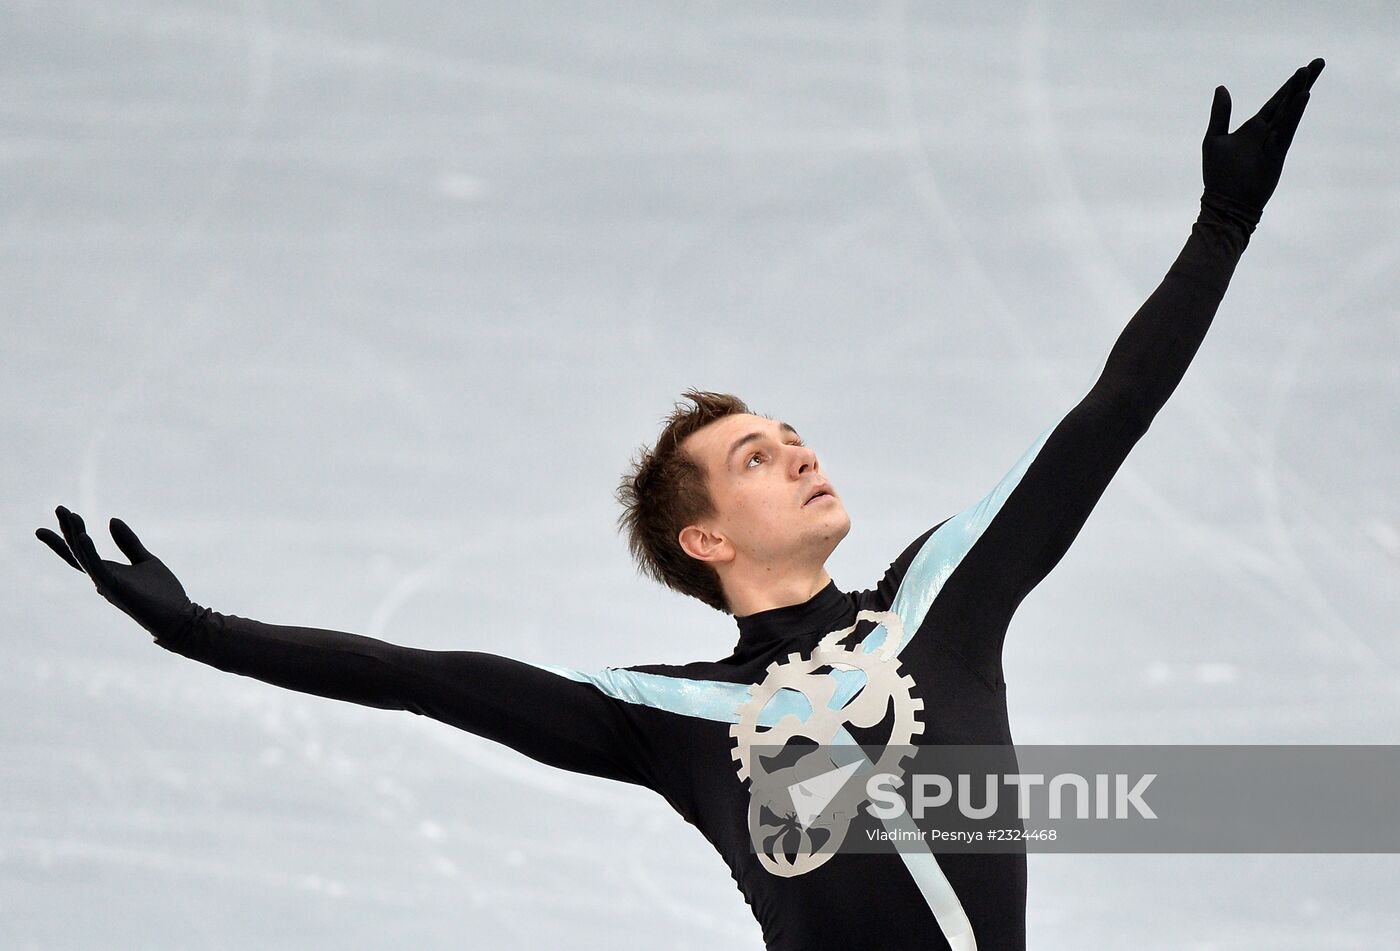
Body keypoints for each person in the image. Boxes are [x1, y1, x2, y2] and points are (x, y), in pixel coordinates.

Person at [38, 59, 1325, 951]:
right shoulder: (662, 716)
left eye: (793, 435)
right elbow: (409, 673)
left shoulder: (940, 594)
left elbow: (1104, 415)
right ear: (703, 538)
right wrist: (195, 628)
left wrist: (1219, 223)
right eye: (759, 455)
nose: (800, 453)